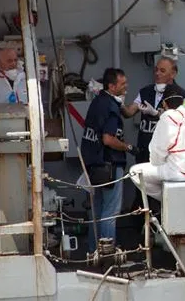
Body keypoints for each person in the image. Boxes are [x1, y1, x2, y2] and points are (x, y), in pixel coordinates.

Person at [128, 85, 185, 200]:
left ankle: (167, 200)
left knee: (134, 172)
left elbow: (156, 155)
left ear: (164, 104)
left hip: (182, 173)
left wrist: (164, 161)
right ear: (183, 102)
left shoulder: (167, 117)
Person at [80, 68, 134, 249]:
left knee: (96, 211)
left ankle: (93, 251)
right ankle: (108, 253)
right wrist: (128, 147)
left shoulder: (97, 102)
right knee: (110, 212)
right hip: (109, 165)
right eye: (122, 84)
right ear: (112, 86)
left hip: (93, 166)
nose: (126, 86)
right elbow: (108, 139)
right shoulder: (111, 107)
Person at [121, 57, 185, 165]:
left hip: (166, 155)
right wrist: (120, 103)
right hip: (144, 152)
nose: (157, 73)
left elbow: (181, 122)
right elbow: (128, 113)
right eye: (156, 70)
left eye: (162, 71)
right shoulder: (145, 91)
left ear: (173, 73)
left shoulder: (181, 95)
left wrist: (156, 113)